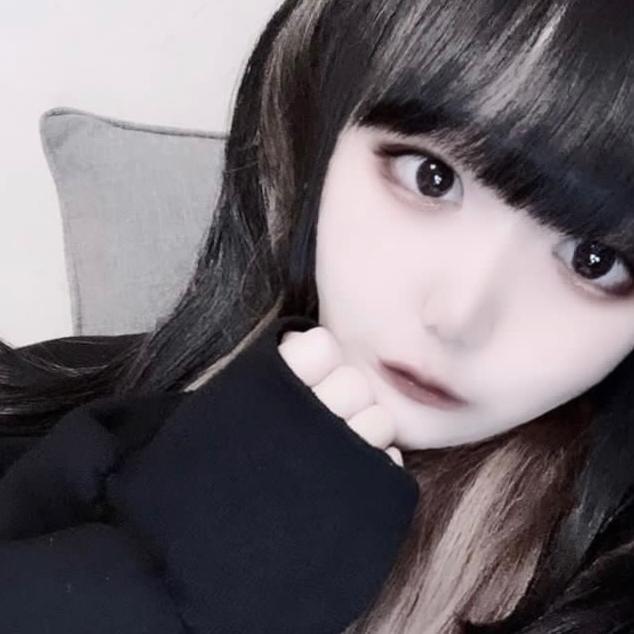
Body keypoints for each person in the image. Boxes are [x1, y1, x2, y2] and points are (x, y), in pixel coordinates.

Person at [1, 0, 633, 632]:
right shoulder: (55, 390)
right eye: (432, 177)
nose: (457, 318)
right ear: (315, 132)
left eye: (595, 260)